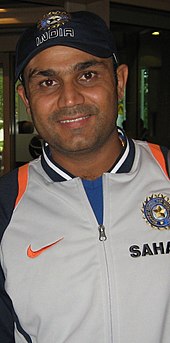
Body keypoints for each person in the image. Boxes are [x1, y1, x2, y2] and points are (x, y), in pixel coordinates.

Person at [0, 9, 170, 343]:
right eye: (47, 82)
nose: (70, 98)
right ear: (27, 100)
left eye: (88, 75)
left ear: (119, 82)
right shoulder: (5, 206)